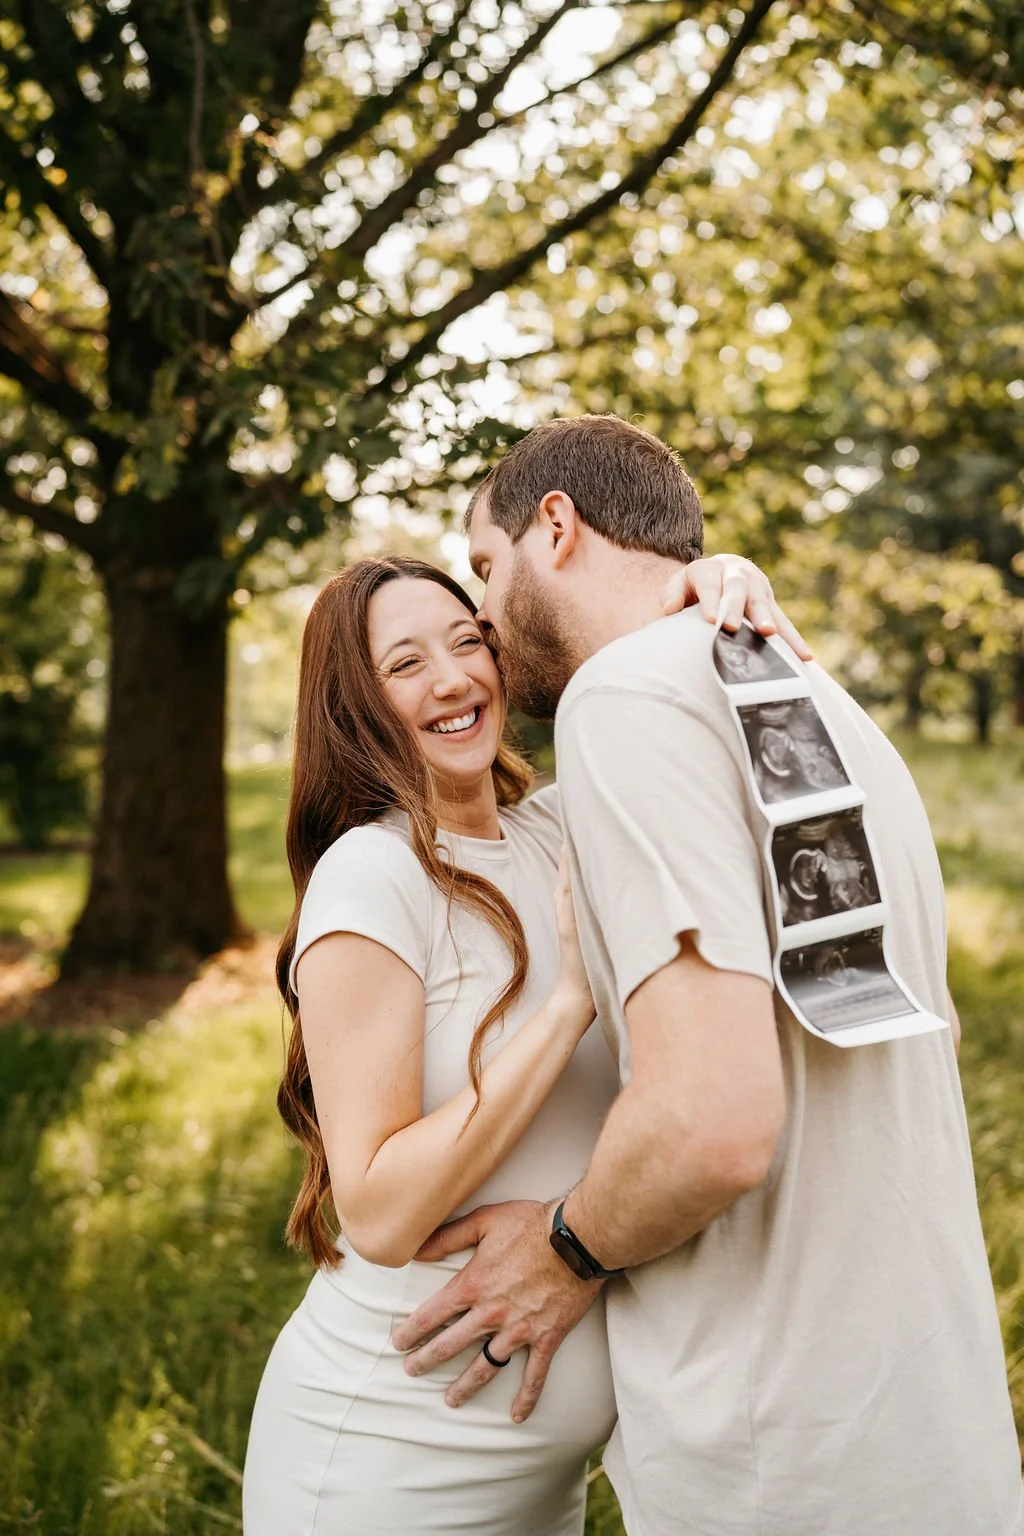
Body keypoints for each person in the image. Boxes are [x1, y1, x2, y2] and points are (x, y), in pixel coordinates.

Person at [392, 414, 1024, 1536]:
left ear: (556, 524)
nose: (482, 616)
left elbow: (712, 1120)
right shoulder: (811, 699)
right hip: (930, 1425)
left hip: (775, 1454)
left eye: (485, 569)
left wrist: (562, 1248)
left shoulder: (623, 699)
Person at [241, 547, 799, 1536]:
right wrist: (568, 1004)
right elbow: (375, 1208)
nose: (453, 679)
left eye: (468, 642)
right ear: (353, 704)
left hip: (539, 1480)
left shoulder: (553, 833)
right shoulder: (372, 877)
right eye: (404, 664)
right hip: (390, 1458)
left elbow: (695, 728)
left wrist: (715, 580)